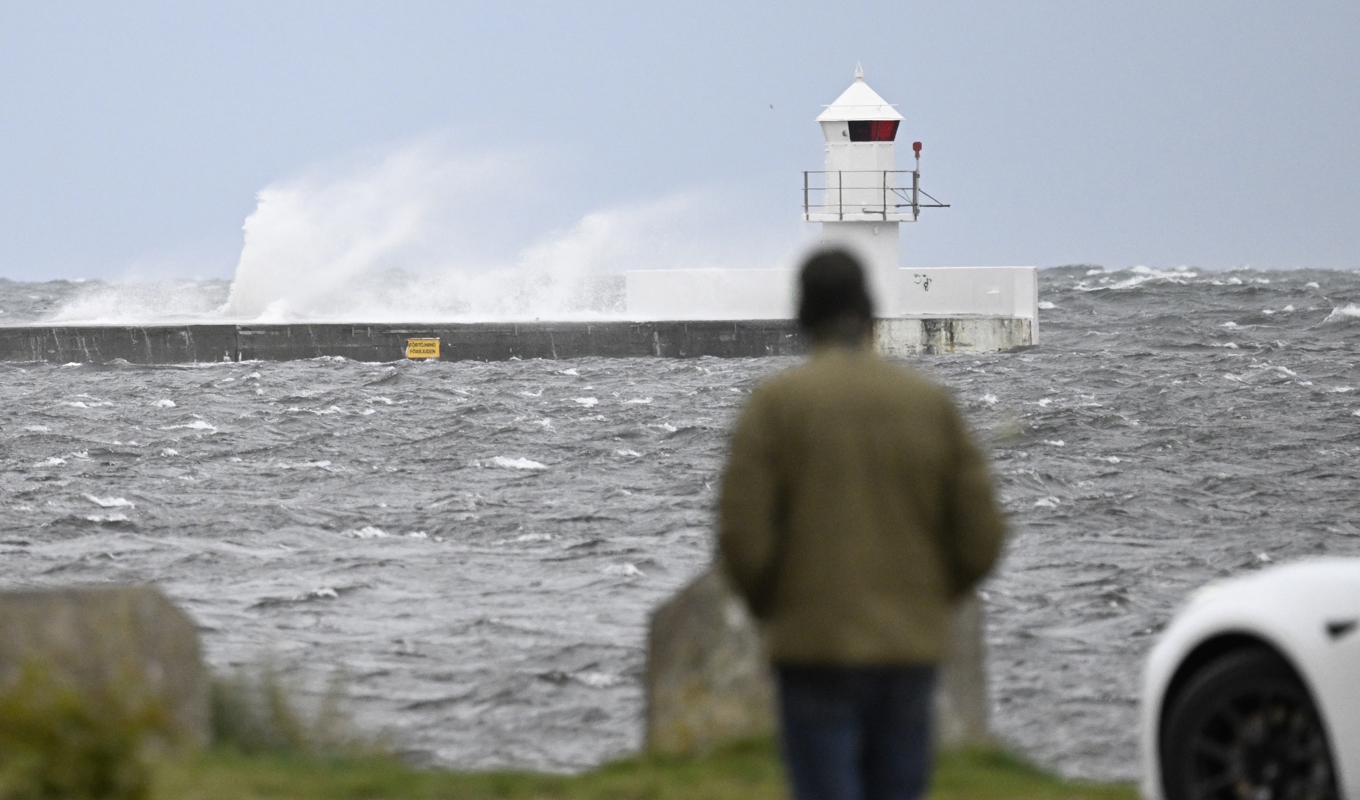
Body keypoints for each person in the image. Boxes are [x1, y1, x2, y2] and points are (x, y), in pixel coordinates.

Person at [718, 248, 1007, 800]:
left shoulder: (774, 405)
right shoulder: (927, 402)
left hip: (812, 644)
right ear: (871, 310)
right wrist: (929, 600)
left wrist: (774, 608)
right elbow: (982, 535)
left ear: (801, 313)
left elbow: (743, 537)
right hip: (908, 646)